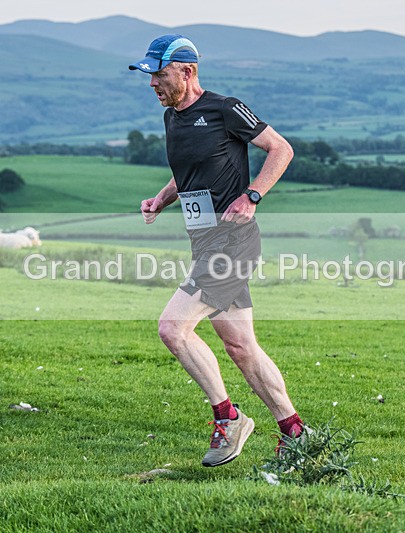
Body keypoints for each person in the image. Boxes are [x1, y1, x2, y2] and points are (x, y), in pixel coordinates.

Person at [129, 34, 303, 467]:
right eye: (150, 75)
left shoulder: (225, 109)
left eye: (160, 74)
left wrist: (252, 195)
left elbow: (281, 149)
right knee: (242, 347)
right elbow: (190, 172)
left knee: (172, 328)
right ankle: (296, 433)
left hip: (232, 242)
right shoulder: (172, 117)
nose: (152, 83)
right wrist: (162, 199)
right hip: (204, 241)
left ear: (187, 72)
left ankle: (229, 418)